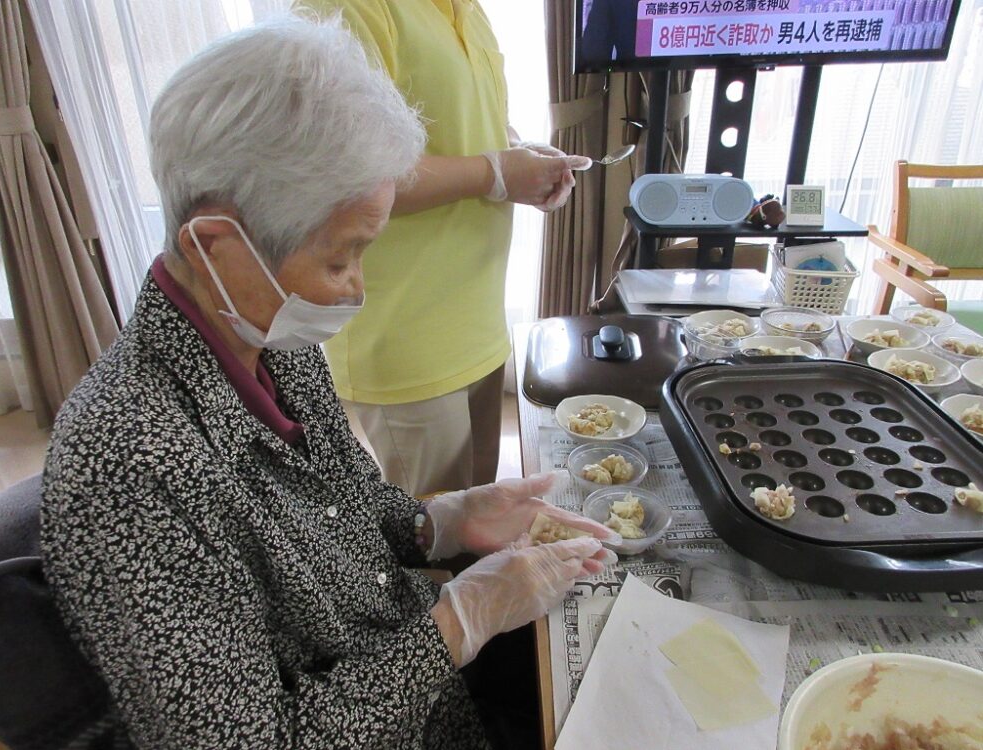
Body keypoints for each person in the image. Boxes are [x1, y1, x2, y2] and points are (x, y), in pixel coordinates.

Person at [41, 18, 617, 750]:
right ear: (216, 244)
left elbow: (343, 502)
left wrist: (440, 522)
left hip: (424, 691)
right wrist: (455, 624)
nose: (355, 290)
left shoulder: (269, 336)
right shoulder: (125, 469)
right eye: (341, 259)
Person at [297, 0, 593, 497]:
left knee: (479, 515)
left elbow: (469, 125)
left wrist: (520, 158)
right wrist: (495, 173)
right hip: (403, 330)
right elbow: (350, 175)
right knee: (436, 540)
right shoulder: (343, 8)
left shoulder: (467, 9)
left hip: (478, 318)